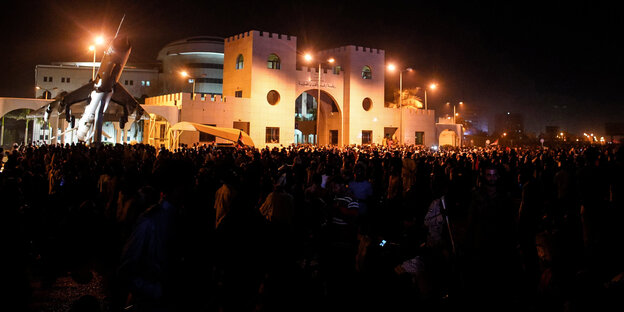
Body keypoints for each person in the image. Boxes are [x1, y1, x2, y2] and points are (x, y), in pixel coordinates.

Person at [117, 158, 194, 312]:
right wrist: (158, 291)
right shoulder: (151, 221)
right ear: (179, 187)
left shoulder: (182, 219)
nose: (194, 187)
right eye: (190, 183)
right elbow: (126, 270)